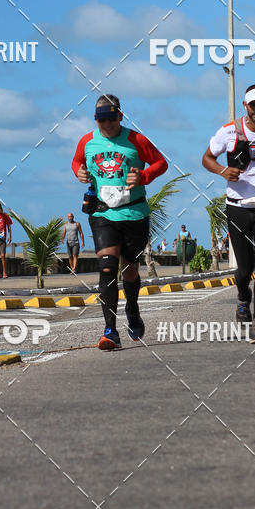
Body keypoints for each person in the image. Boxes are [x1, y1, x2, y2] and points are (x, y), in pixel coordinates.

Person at [72, 94, 168, 350]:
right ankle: (110, 330)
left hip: (134, 213)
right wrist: (79, 172)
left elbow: (161, 163)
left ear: (120, 116)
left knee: (129, 271)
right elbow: (77, 162)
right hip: (103, 214)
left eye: (111, 119)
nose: (106, 125)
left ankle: (133, 310)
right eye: (101, 120)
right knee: (106, 268)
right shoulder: (88, 141)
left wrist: (145, 175)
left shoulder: (136, 140)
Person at [202, 84, 255, 343]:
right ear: (245, 106)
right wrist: (221, 170)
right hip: (238, 207)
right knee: (244, 268)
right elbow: (206, 157)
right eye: (253, 105)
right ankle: (243, 298)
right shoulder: (228, 131)